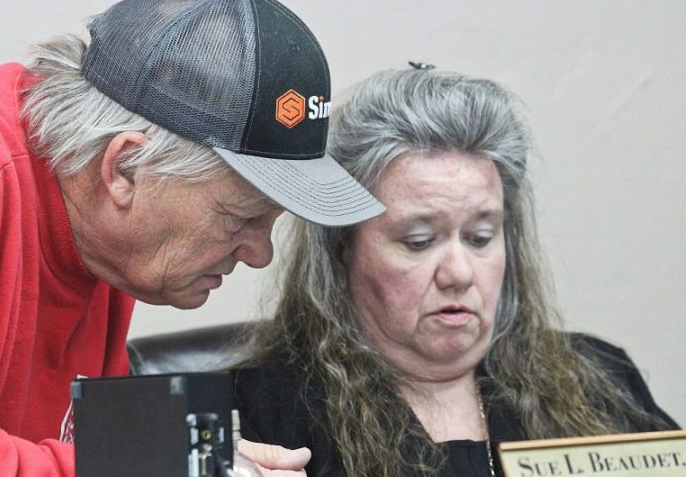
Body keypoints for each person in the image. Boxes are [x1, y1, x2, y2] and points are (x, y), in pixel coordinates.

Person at [0, 0, 384, 475]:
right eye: (241, 217)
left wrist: (207, 462)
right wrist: (170, 466)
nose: (260, 254)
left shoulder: (104, 239)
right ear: (124, 168)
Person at [231, 66, 679, 477]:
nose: (459, 274)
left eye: (481, 237)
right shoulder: (263, 410)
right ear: (343, 250)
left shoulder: (598, 377)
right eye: (419, 242)